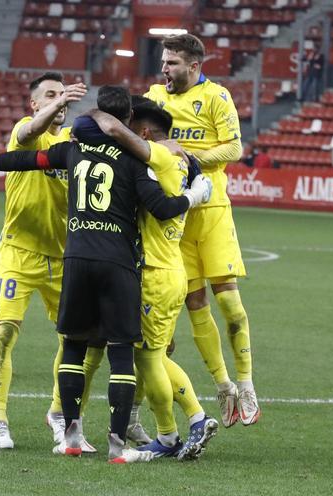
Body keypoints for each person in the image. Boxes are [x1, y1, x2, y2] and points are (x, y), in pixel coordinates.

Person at [0, 86, 209, 461]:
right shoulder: (134, 161)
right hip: (118, 263)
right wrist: (195, 195)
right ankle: (117, 442)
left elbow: (28, 160)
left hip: (75, 258)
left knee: (73, 346)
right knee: (122, 353)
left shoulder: (71, 149)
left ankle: (71, 436)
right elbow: (160, 206)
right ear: (128, 123)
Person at [76, 96, 220, 461]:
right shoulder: (183, 161)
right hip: (171, 269)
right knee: (152, 354)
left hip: (155, 272)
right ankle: (188, 422)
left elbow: (111, 129)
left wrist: (96, 111)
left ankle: (177, 430)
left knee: (148, 359)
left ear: (142, 133)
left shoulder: (159, 156)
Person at [145, 34, 261, 427]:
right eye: (164, 62)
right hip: (176, 218)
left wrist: (193, 158)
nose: (165, 69)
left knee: (229, 303)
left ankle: (246, 383)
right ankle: (224, 384)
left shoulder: (216, 97)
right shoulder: (155, 98)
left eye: (172, 63)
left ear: (194, 66)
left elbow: (234, 148)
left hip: (211, 211)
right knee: (196, 305)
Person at [0, 71, 94, 451]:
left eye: (63, 95)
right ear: (35, 103)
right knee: (5, 332)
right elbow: (29, 135)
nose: (60, 101)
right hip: (18, 252)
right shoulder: (23, 131)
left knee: (77, 338)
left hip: (63, 257)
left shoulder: (73, 145)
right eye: (50, 95)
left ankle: (58, 413)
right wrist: (60, 103)